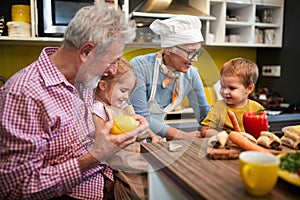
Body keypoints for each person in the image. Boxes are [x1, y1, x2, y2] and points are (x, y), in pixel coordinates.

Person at [0, 2, 150, 199]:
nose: (113, 71)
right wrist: (94, 157)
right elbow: (14, 189)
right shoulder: (25, 94)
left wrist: (132, 131)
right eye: (111, 61)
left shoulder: (84, 80)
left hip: (104, 184)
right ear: (86, 52)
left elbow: (87, 138)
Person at [87, 58, 159, 200]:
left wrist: (152, 135)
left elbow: (138, 124)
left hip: (135, 157)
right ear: (103, 85)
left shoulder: (122, 107)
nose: (126, 97)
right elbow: (102, 144)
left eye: (129, 92)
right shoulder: (98, 109)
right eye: (123, 91)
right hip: (122, 164)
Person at [129, 15, 210, 140]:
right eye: (189, 52)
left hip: (157, 139)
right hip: (131, 137)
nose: (195, 59)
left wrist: (212, 130)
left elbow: (204, 114)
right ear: (168, 49)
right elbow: (141, 116)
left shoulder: (191, 74)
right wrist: (183, 135)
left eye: (197, 52)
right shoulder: (140, 66)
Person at [201, 57, 265, 137]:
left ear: (249, 88)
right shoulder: (219, 108)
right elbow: (205, 131)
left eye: (232, 88)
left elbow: (263, 132)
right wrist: (226, 136)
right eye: (222, 86)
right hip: (226, 147)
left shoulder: (258, 109)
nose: (224, 92)